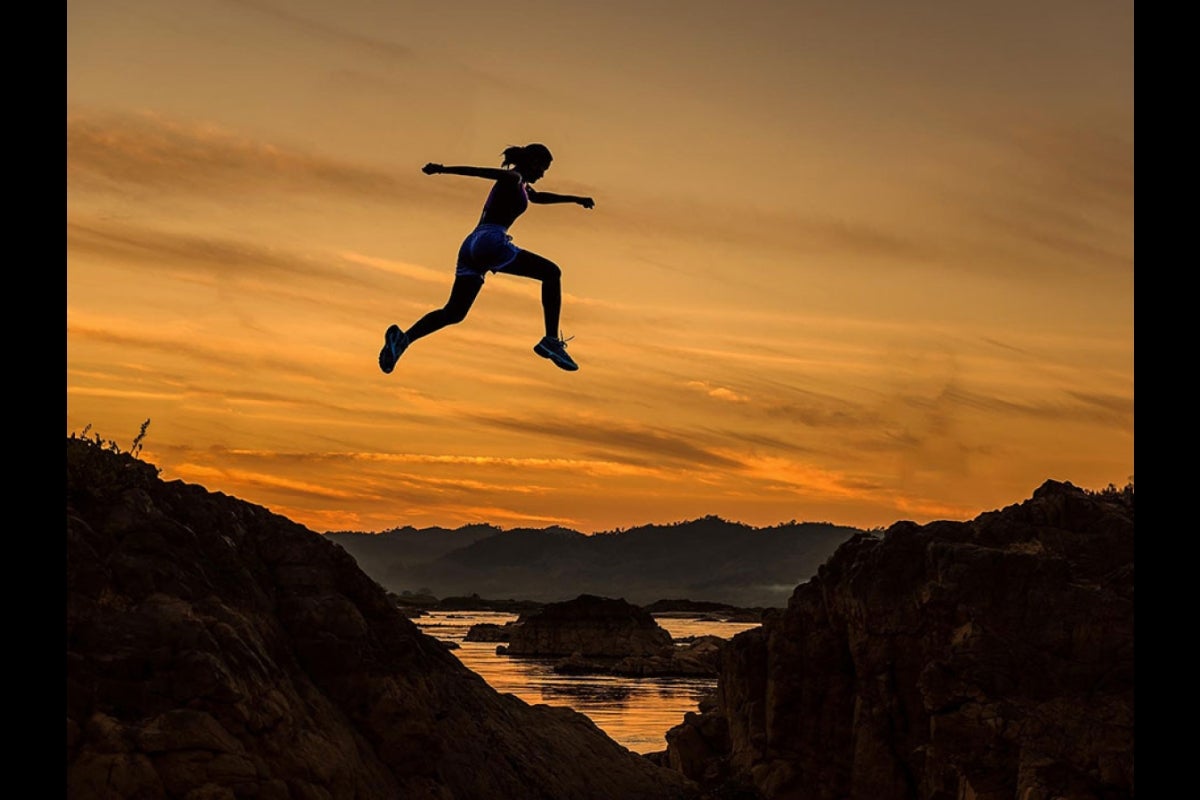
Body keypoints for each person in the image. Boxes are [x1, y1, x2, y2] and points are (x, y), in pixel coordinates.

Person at [378, 143, 594, 374]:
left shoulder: (522, 185)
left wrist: (576, 199)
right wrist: (442, 169)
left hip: (471, 245)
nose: (542, 174)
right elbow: (481, 172)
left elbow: (539, 197)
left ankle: (404, 339)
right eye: (543, 168)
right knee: (551, 273)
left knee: (454, 312)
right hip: (491, 240)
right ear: (532, 161)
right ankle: (550, 340)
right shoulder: (513, 177)